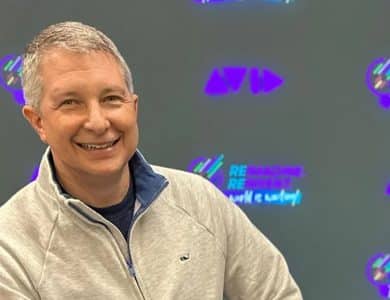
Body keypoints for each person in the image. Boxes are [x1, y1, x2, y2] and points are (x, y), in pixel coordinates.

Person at [0, 21, 303, 299]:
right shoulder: (10, 247)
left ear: (133, 108)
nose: (97, 121)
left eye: (111, 99)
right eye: (71, 103)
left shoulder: (200, 201)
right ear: (38, 121)